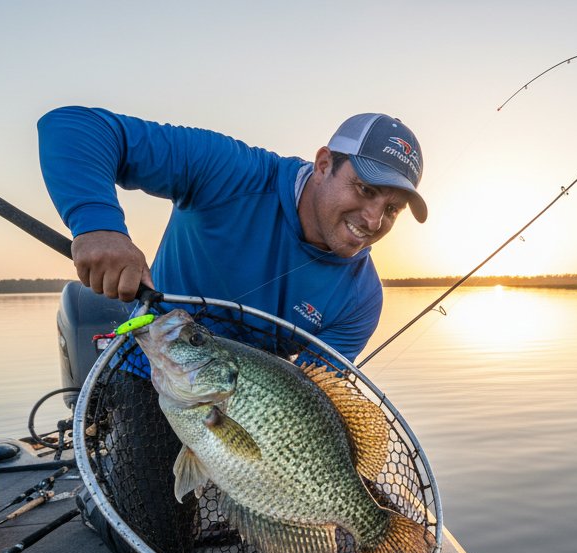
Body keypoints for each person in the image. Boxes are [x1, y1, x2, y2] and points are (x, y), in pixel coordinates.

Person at [37, 106, 427, 362]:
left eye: (392, 209)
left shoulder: (362, 299)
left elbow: (316, 395)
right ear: (324, 164)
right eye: (365, 189)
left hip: (251, 421)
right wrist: (99, 225)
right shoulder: (231, 172)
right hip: (150, 369)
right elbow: (73, 127)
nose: (374, 220)